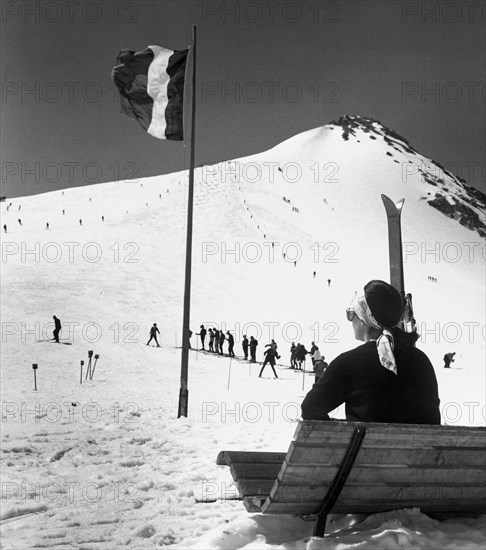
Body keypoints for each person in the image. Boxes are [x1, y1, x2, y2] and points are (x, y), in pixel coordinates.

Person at [301, 280, 441, 424]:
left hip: (365, 446)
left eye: (351, 314)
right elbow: (433, 421)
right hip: (418, 446)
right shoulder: (421, 361)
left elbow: (310, 409)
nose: (351, 320)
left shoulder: (349, 363)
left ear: (364, 319)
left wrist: (348, 429)